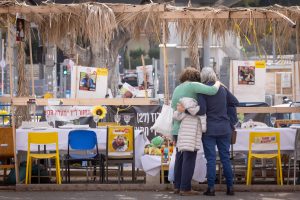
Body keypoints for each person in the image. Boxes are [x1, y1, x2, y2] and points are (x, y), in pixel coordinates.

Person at [171, 67, 220, 196]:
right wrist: (218, 82)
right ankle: (185, 188)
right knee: (189, 158)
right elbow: (212, 90)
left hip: (176, 128)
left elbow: (173, 107)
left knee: (180, 158)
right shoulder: (193, 85)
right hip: (188, 128)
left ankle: (177, 186)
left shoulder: (177, 88)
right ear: (196, 77)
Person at [191, 67, 238, 196]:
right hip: (224, 128)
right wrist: (230, 120)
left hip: (209, 130)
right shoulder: (222, 89)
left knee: (211, 159)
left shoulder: (202, 92)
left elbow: (202, 111)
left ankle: (211, 189)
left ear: (203, 77)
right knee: (225, 159)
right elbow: (235, 102)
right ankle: (230, 188)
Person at [173, 97, 206, 196]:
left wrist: (181, 109)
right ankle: (185, 188)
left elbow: (176, 116)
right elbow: (204, 128)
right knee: (189, 163)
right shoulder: (198, 111)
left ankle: (177, 187)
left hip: (182, 138)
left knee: (179, 161)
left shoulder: (184, 112)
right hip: (191, 139)